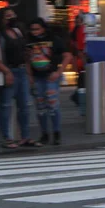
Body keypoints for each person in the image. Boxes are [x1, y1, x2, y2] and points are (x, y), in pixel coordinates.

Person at [0, 8, 33, 149]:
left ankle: (25, 136)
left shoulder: (17, 32)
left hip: (21, 70)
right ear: (1, 19)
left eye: (13, 15)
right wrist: (6, 72)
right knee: (5, 105)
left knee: (24, 106)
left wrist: (28, 72)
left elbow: (24, 52)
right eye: (8, 16)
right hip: (8, 70)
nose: (12, 18)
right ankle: (6, 137)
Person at [27, 18, 72, 146]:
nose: (34, 32)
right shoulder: (29, 41)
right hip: (38, 76)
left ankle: (56, 133)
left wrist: (58, 72)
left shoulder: (54, 39)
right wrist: (30, 75)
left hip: (50, 75)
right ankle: (45, 133)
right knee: (40, 106)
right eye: (32, 29)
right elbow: (27, 59)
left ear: (43, 28)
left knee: (52, 105)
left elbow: (67, 55)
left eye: (37, 29)